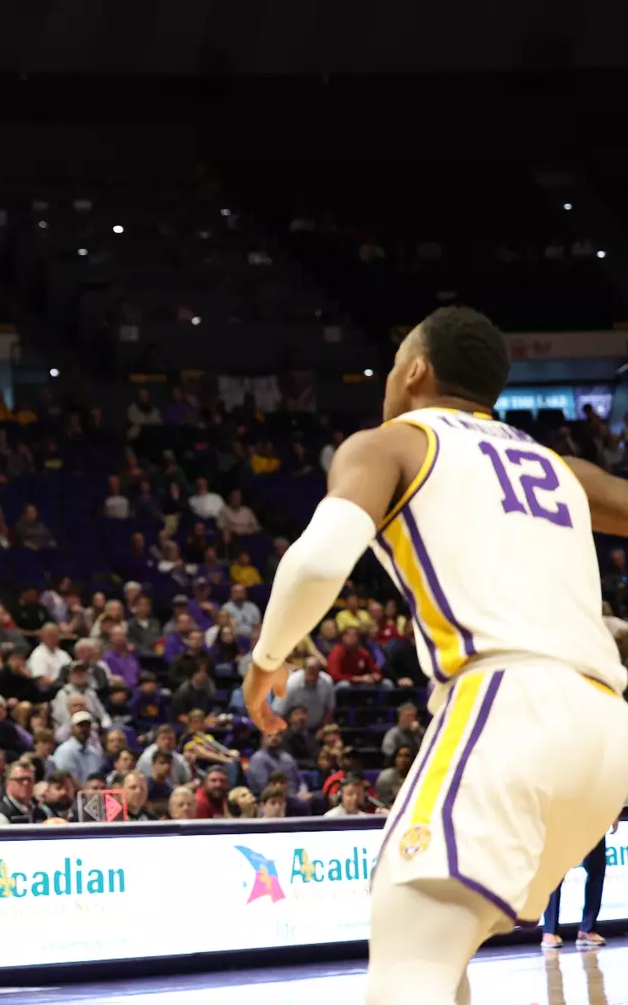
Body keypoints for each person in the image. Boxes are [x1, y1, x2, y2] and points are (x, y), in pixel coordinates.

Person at [241, 306, 628, 1005]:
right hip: (606, 734)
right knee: (439, 954)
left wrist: (268, 655)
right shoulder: (558, 466)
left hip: (509, 703)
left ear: (416, 370)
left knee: (408, 949)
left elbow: (320, 559)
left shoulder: (392, 443)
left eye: (393, 365)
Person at [539, 824, 612, 951]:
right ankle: (550, 931)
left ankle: (587, 929)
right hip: (562, 813)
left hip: (593, 815)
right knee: (555, 871)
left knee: (597, 867)